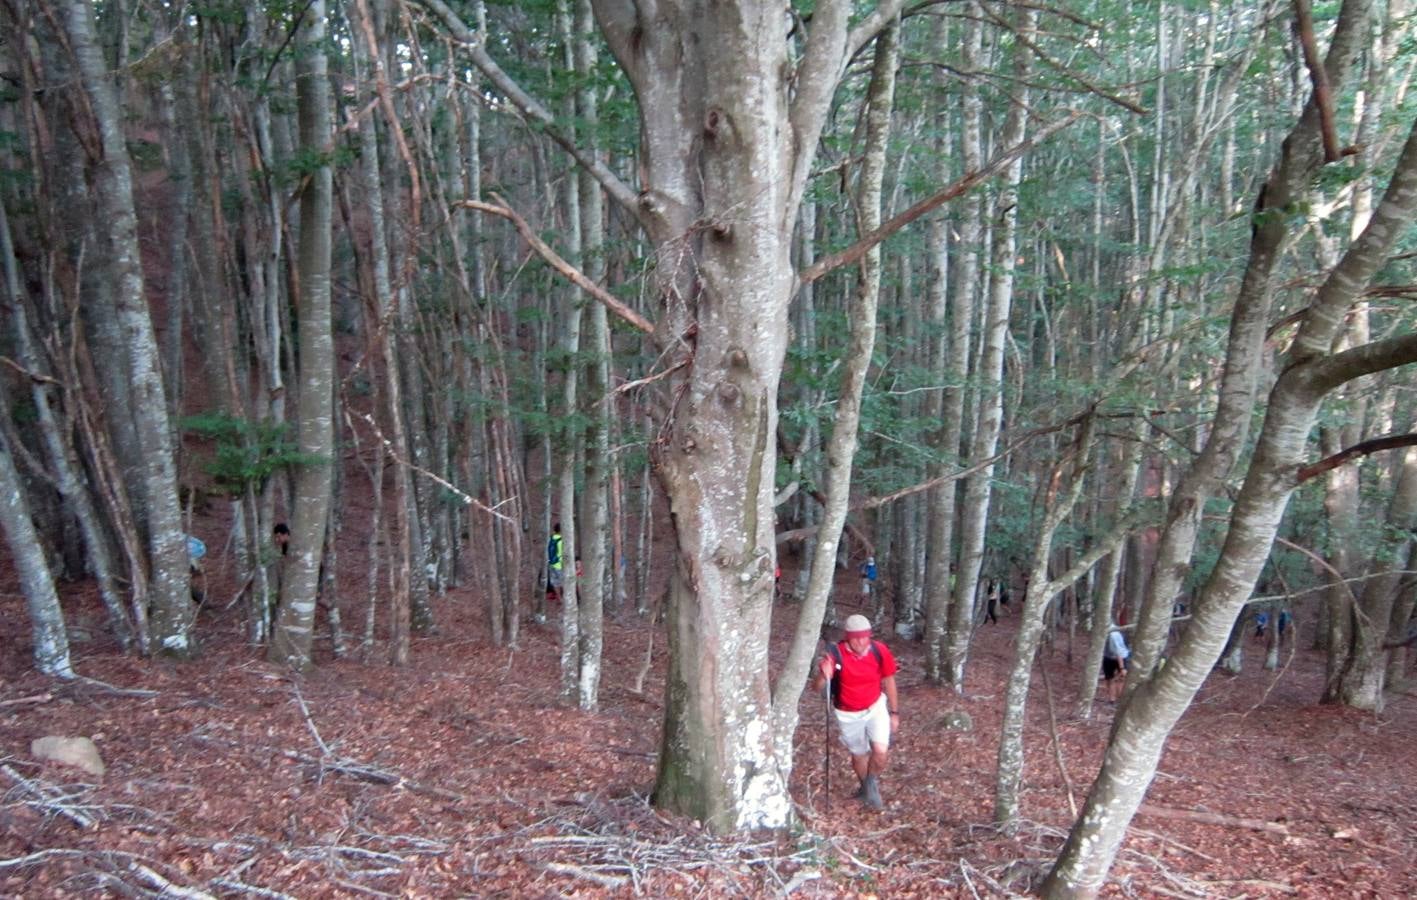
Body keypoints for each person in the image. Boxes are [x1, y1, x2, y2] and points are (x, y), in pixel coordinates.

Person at [808, 613, 899, 810]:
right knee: (859, 754)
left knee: (880, 752)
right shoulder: (836, 654)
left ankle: (870, 784)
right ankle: (866, 788)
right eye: (857, 637)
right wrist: (824, 675)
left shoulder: (878, 650)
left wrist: (894, 712)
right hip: (847, 713)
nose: (862, 642)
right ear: (848, 637)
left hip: (875, 707)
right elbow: (816, 688)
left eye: (865, 637)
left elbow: (889, 679)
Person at [1102, 624, 1130, 702]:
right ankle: (1112, 700)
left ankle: (1120, 700)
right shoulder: (1103, 630)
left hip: (1121, 656)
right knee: (1109, 678)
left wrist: (1122, 668)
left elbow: (1119, 652)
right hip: (1108, 656)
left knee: (1121, 678)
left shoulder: (1112, 635)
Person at [546, 522, 565, 603]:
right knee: (564, 581)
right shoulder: (561, 541)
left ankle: (559, 599)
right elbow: (561, 554)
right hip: (559, 565)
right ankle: (565, 598)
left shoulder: (551, 538)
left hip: (551, 563)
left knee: (555, 582)